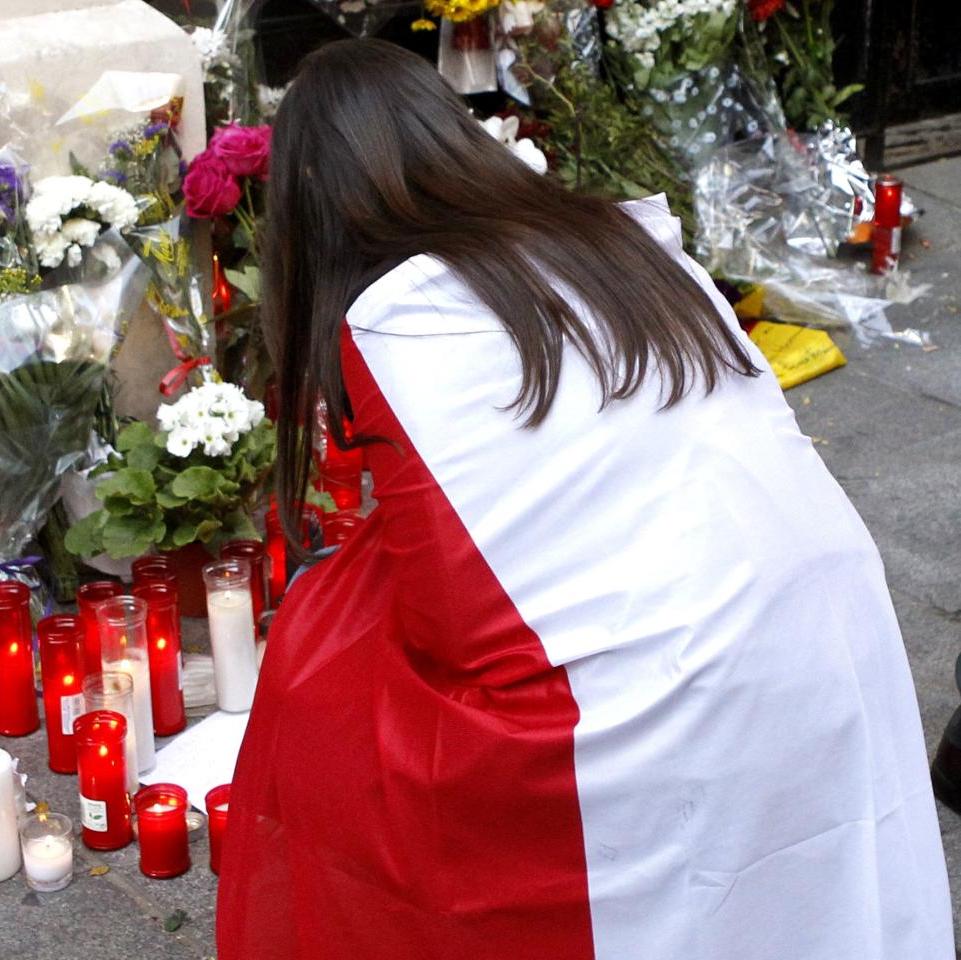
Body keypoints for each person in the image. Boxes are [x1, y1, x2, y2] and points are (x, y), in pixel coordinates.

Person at [217, 38, 953, 960]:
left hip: (675, 678)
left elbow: (454, 617)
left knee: (318, 671)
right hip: (830, 619)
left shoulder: (399, 323)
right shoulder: (626, 240)